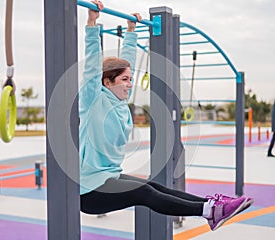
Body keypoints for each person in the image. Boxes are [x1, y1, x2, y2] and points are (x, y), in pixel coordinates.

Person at [79, 0, 253, 231]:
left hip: (107, 178)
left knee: (156, 187)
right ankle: (209, 211)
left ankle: (212, 206)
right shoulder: (94, 100)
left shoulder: (119, 101)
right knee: (144, 192)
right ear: (106, 82)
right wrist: (92, 24)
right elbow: (92, 67)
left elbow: (126, 64)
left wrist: (131, 32)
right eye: (124, 80)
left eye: (131, 79)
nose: (130, 84)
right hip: (88, 190)